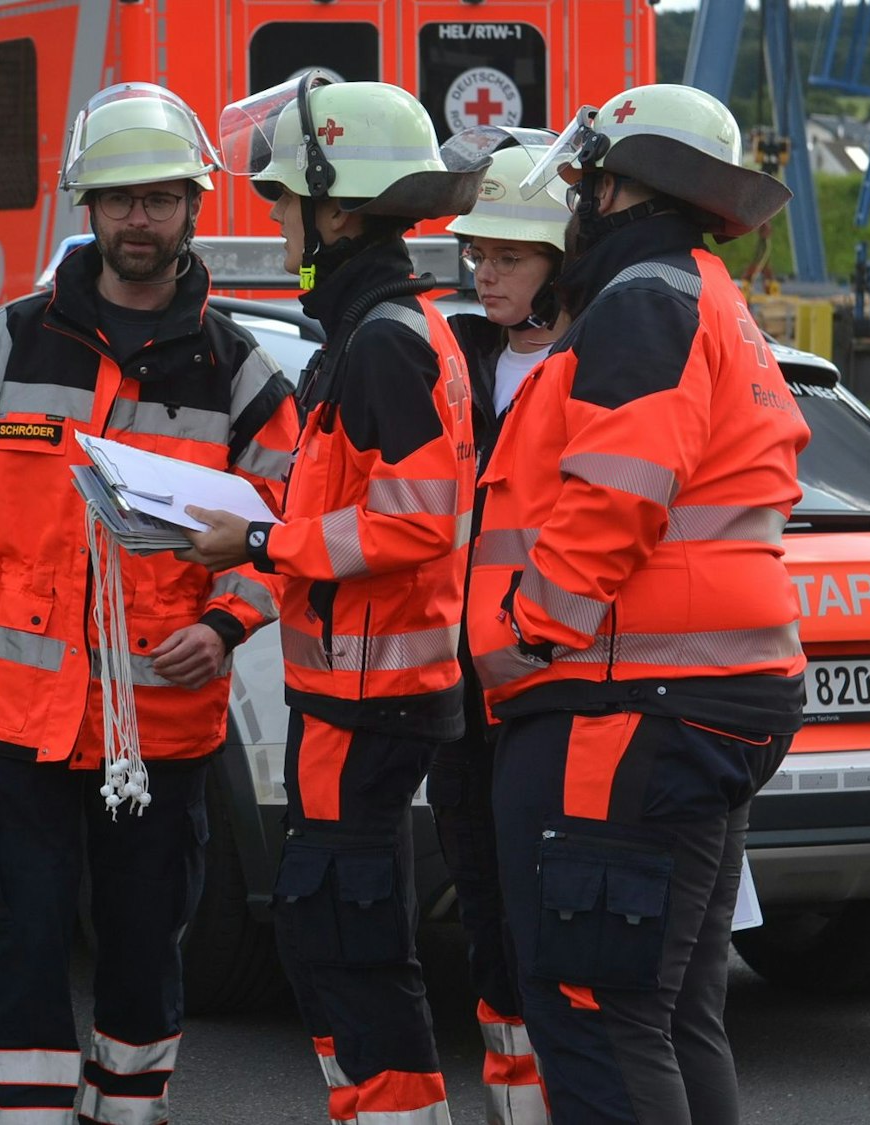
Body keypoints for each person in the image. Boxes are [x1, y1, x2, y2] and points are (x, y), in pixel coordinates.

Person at [0, 82, 299, 1124]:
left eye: (160, 198)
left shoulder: (241, 370)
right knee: (22, 936)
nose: (138, 218)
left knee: (140, 945)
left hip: (162, 726)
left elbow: (288, 523)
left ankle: (126, 1112)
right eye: (120, 198)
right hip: (18, 714)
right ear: (86, 205)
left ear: (191, 207)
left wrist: (227, 622)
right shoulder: (2, 346)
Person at [468, 83, 809, 1124]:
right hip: (695, 696)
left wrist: (526, 634)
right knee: (665, 1012)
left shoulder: (642, 300)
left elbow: (618, 491)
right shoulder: (706, 295)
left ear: (614, 187)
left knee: (594, 1011)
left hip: (622, 702)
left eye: (583, 182)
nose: (574, 202)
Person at [185, 74, 483, 1125]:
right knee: (328, 931)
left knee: (348, 936)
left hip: (373, 697)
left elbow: (413, 523)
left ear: (338, 208)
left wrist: (260, 539)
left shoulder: (384, 340)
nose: (273, 219)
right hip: (354, 692)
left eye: (282, 201)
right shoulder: (375, 328)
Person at [433, 132, 575, 1125]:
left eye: (508, 257)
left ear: (561, 264)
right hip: (465, 692)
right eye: (477, 253)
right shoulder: (453, 359)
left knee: (559, 931)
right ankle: (515, 1111)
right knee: (486, 915)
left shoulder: (602, 371)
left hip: (559, 691)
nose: (483, 271)